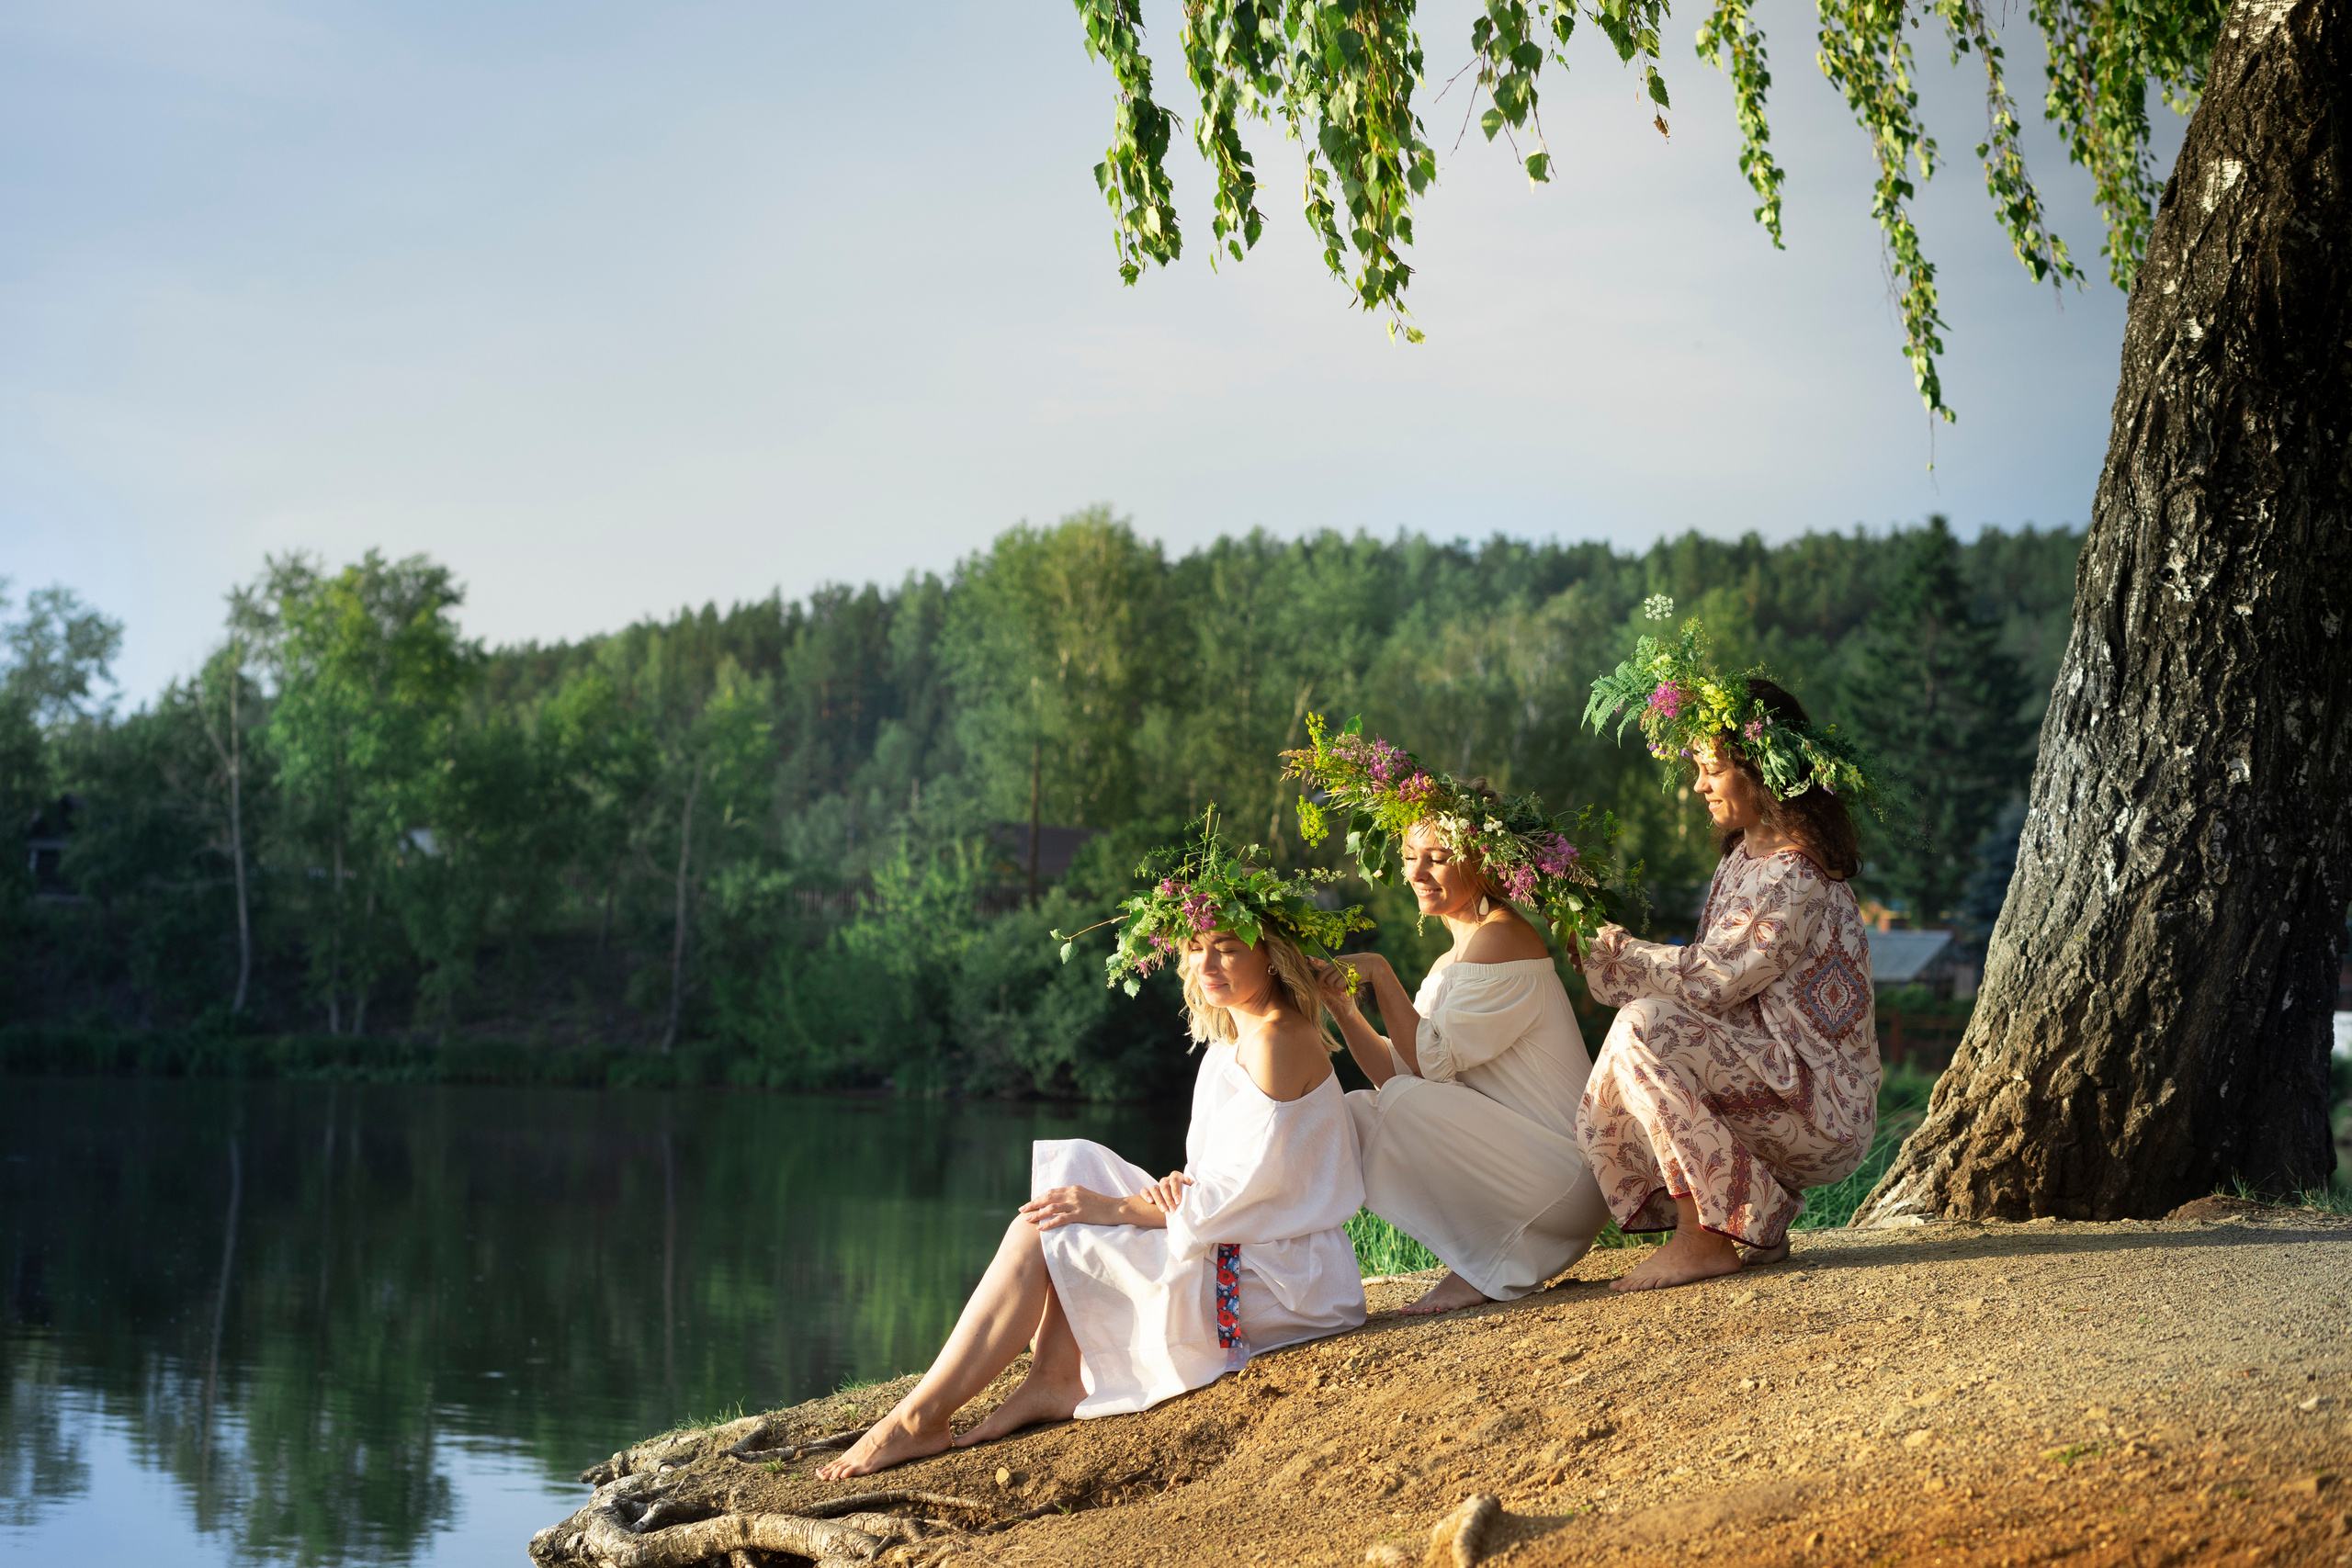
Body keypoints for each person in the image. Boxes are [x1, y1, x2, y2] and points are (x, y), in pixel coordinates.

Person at [816, 823, 1370, 1479]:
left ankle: (918, 1419)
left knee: (1056, 1220)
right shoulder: (1235, 1037)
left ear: (1269, 952)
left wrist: (1118, 1206)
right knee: (1069, 1173)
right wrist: (1167, 1188)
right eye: (1194, 948)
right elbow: (1240, 1176)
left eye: (1226, 947)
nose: (1206, 964)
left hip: (1280, 1281)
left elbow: (1238, 1199)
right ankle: (1050, 1375)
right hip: (1242, 1235)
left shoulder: (1278, 1039)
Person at [1577, 606, 1883, 1293]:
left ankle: (1706, 1236)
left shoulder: (1799, 875)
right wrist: (1612, 956)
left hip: (1824, 1102)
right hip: (1777, 1076)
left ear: (1758, 769)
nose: (1698, 785)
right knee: (1628, 1047)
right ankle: (1754, 1216)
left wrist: (1622, 954)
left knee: (1643, 1027)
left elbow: (1715, 980)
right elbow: (1714, 992)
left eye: (1711, 768)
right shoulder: (1744, 857)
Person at [1281, 719, 1630, 1317]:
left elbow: (1427, 1065)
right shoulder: (1455, 957)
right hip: (1525, 1171)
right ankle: (1470, 1261)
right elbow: (1398, 1070)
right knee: (1361, 1112)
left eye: (1437, 858)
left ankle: (1480, 1267)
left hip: (1562, 1180)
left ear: (1484, 863)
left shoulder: (1503, 939)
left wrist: (1383, 976)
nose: (1417, 873)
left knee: (1399, 1108)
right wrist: (1342, 1005)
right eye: (1411, 857)